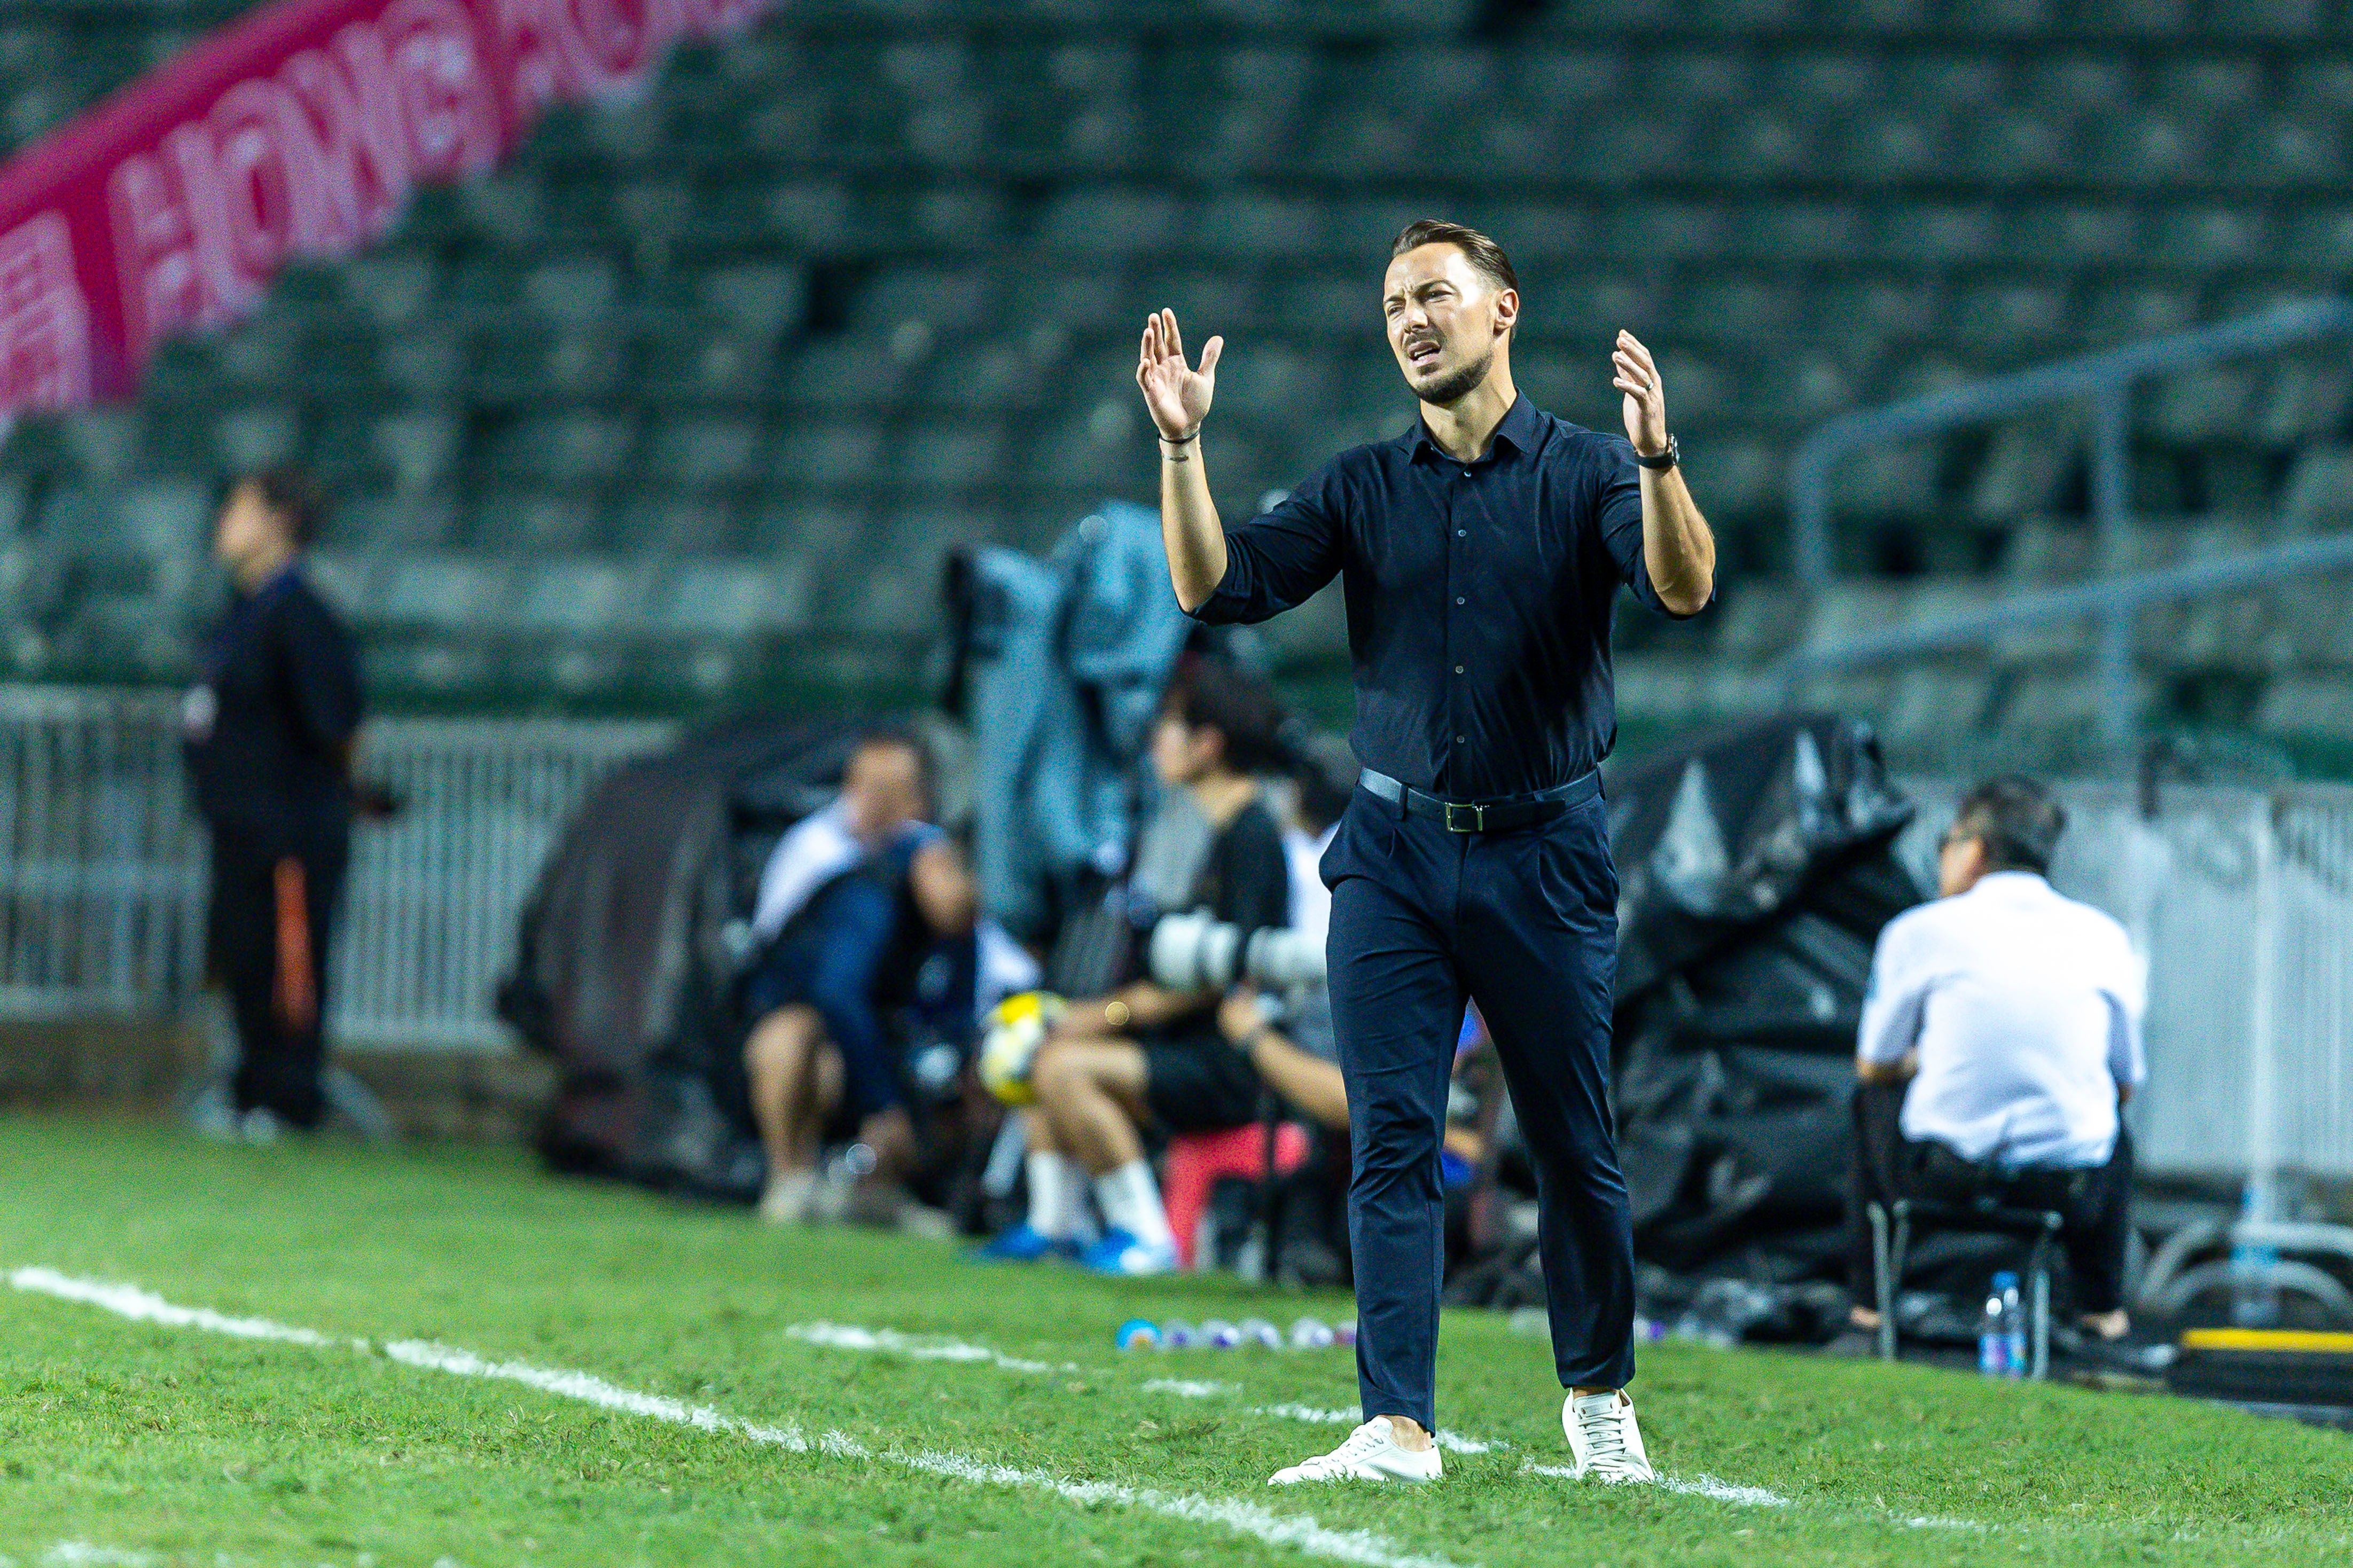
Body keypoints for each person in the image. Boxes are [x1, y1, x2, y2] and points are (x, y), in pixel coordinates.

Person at [1139, 219, 1714, 1486]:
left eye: (1436, 295)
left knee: (1573, 1140)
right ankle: (1396, 1422)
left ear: (1503, 310)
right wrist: (1184, 447)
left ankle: (1598, 1394)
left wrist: (1659, 456)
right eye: (1395, 300)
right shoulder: (1361, 486)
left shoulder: (1585, 471)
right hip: (1392, 853)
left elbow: (1682, 586)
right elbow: (1214, 585)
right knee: (1389, 1137)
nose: (1411, 318)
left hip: (1545, 850)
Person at [976, 653, 1293, 1276]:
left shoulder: (1252, 836)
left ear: (1208, 743)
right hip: (1171, 1042)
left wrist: (1109, 1012)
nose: (1154, 742)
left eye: (1167, 727)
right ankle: (1053, 1224)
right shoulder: (1197, 826)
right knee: (1038, 1048)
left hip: (1227, 1060)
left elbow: (1229, 976)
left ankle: (1148, 1237)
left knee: (1065, 1063)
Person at [1843, 777, 2146, 1347]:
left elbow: (1871, 1064)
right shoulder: (2104, 935)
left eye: (1946, 842)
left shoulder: (1919, 930)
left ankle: (1868, 1313)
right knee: (2112, 1122)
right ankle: (2104, 1315)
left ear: (1975, 850)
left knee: (1870, 1101)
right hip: (2068, 1188)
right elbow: (2126, 1082)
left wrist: (1917, 1062)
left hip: (1941, 1177)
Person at [182, 468, 364, 1141]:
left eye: (239, 506)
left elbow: (339, 722)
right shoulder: (241, 610)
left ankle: (287, 1103)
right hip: (237, 830)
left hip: (288, 832)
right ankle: (248, 1096)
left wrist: (311, 807)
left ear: (278, 520)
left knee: (289, 970)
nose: (225, 520)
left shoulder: (304, 616)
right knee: (246, 964)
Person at [742, 730, 978, 1226]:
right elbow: (822, 983)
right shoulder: (827, 856)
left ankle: (882, 1192)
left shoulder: (920, 847)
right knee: (791, 1043)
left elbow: (959, 919)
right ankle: (790, 1179)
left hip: (886, 1019)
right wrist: (881, 1102)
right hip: (806, 1020)